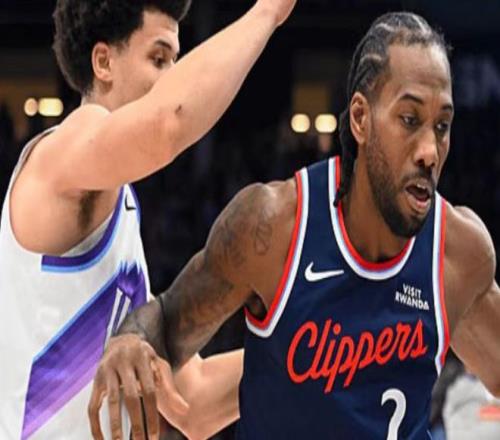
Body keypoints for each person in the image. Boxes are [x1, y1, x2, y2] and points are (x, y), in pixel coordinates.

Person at [89, 11, 500, 439]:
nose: (430, 150)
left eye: (442, 126)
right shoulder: (271, 228)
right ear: (360, 118)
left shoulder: (458, 253)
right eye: (410, 120)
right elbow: (168, 317)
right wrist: (130, 340)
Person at [0, 0, 298, 438]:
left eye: (176, 61)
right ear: (103, 62)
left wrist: (314, 349)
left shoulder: (122, 212)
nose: (173, 79)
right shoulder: (58, 157)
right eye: (159, 59)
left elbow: (193, 400)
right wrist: (268, 11)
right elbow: (167, 124)